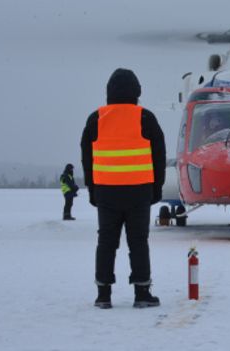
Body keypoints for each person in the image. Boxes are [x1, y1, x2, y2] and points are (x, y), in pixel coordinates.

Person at [81, 68, 166, 309]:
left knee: (106, 242)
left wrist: (92, 189)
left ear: (108, 92)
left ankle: (103, 294)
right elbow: (159, 156)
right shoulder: (146, 117)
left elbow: (87, 157)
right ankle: (141, 293)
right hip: (139, 191)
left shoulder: (96, 118)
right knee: (138, 242)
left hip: (106, 191)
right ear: (137, 92)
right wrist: (156, 188)